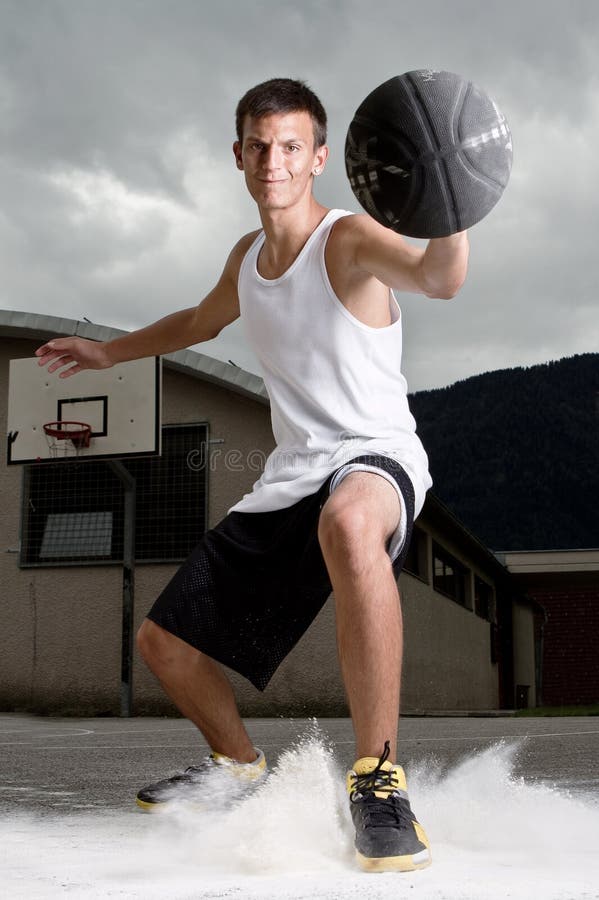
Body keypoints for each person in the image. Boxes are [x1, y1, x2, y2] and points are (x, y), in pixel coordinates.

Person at [36, 77, 469, 873]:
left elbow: (440, 278)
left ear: (318, 159)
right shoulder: (247, 256)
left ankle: (376, 777)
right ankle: (239, 766)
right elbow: (199, 322)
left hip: (375, 457)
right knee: (163, 642)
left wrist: (453, 203)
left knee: (348, 524)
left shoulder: (349, 239)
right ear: (239, 156)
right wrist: (107, 351)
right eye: (261, 147)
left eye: (292, 147)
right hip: (294, 471)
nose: (275, 162)